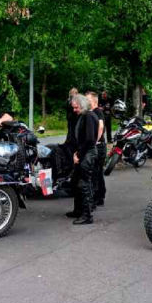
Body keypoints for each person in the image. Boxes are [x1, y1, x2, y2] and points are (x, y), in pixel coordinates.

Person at [65, 94, 99, 225]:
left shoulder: (89, 116)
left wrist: (78, 154)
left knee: (84, 184)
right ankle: (78, 210)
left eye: (76, 107)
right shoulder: (84, 116)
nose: (74, 110)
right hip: (84, 153)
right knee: (77, 182)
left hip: (87, 154)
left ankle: (87, 215)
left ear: (83, 105)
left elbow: (90, 139)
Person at [87, 91, 107, 207]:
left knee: (95, 173)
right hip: (100, 146)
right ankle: (100, 197)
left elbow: (101, 127)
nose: (86, 102)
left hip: (99, 147)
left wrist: (94, 141)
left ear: (94, 101)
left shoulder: (97, 112)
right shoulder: (93, 112)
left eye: (88, 100)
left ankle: (95, 198)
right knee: (98, 173)